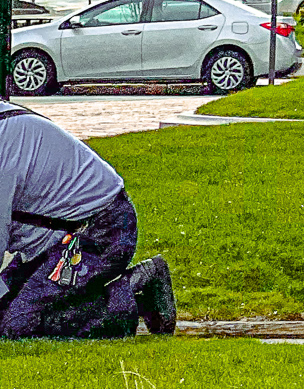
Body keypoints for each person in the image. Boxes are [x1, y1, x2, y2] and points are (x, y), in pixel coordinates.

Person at [0, 100, 175, 338]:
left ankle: (136, 290)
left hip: (100, 232)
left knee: (18, 326)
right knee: (7, 312)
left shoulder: (4, 143)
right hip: (56, 240)